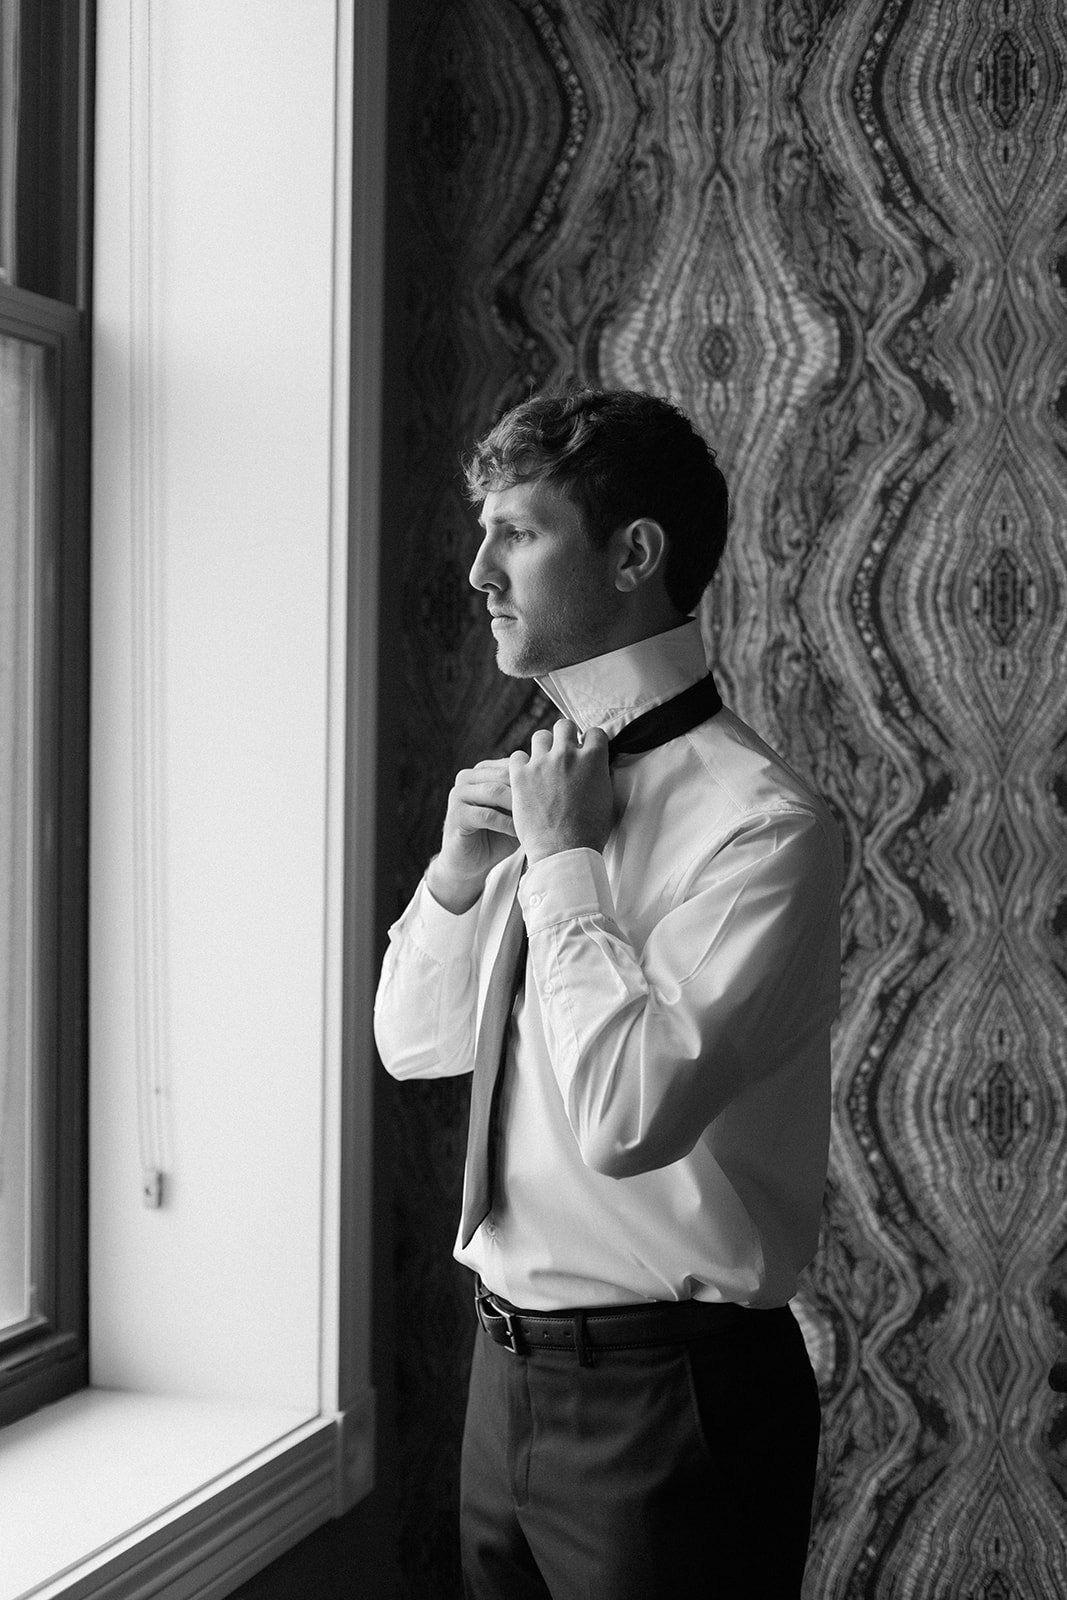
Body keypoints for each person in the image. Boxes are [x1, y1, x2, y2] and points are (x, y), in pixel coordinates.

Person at [374, 386, 842, 1599]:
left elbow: (630, 1119)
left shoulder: (764, 827)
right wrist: (460, 874)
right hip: (499, 1372)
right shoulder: (534, 790)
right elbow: (415, 1049)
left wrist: (568, 870)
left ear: (634, 553)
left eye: (515, 533)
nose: (477, 570)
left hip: (670, 1403)